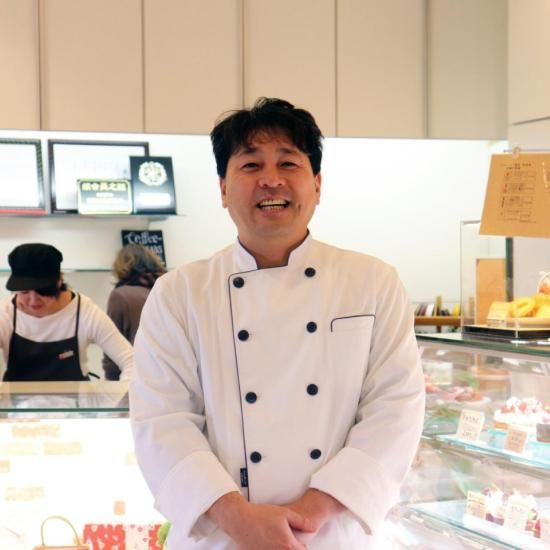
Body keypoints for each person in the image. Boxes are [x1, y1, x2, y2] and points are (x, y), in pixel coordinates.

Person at [130, 98, 425, 549]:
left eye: (289, 162)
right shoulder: (179, 293)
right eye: (251, 165)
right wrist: (238, 519)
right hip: (223, 537)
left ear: (317, 184)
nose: (271, 179)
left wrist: (310, 513)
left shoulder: (372, 282)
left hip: (328, 535)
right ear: (223, 189)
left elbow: (396, 410)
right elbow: (161, 421)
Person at [0, 242, 133, 382]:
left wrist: (126, 391)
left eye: (43, 291)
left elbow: (130, 360)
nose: (33, 301)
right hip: (16, 396)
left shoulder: (85, 311)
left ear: (60, 280)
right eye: (24, 291)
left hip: (76, 396)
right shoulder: (6, 314)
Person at [102, 243, 166, 380]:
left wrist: (111, 382)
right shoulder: (165, 291)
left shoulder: (120, 296)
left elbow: (111, 347)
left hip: (139, 378)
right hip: (170, 375)